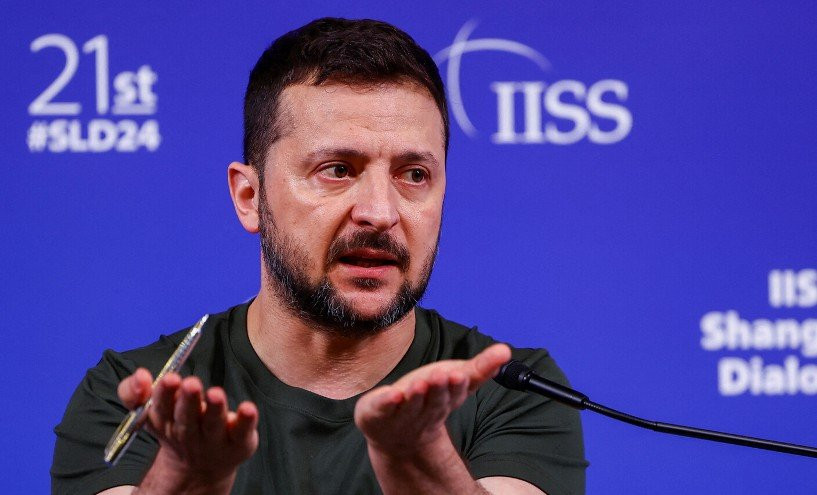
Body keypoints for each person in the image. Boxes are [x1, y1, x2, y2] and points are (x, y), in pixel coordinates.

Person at [51, 18, 587, 495]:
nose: (380, 212)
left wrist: (418, 461)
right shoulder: (139, 396)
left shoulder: (513, 390)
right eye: (337, 170)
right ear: (249, 197)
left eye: (413, 174)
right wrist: (188, 481)